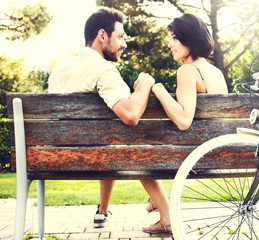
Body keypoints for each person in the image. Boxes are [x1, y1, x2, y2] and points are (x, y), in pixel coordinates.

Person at [48, 7, 155, 228]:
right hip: (98, 156)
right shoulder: (103, 70)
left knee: (107, 138)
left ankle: (103, 210)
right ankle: (160, 206)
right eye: (120, 37)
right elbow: (131, 115)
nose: (124, 44)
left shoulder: (59, 69)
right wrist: (144, 84)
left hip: (53, 158)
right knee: (118, 137)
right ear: (102, 35)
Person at [140, 13, 228, 234]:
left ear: (190, 38)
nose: (169, 44)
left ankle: (163, 212)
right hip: (219, 150)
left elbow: (183, 120)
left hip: (195, 155)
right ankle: (159, 207)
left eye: (174, 37)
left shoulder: (188, 70)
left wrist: (157, 88)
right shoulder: (216, 72)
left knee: (139, 158)